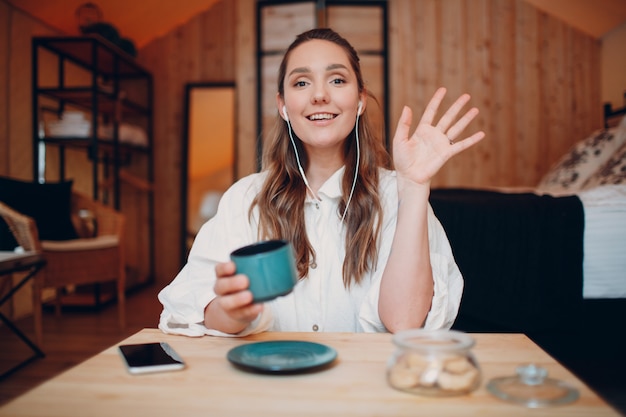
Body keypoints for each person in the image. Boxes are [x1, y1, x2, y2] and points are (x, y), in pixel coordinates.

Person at [158, 28, 485, 337]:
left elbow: (404, 322)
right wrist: (233, 313)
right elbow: (197, 306)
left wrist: (414, 187)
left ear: (360, 100)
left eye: (337, 79)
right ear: (283, 106)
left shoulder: (397, 195)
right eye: (301, 83)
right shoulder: (244, 199)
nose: (319, 95)